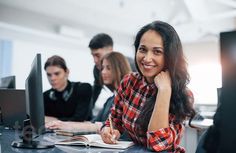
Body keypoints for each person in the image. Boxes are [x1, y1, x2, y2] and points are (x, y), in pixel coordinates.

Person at [100, 21, 195, 152]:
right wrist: (109, 130)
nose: (147, 58)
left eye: (157, 52)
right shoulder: (129, 81)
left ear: (170, 56)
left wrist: (164, 90)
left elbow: (157, 144)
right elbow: (114, 119)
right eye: (142, 49)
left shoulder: (182, 94)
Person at [46, 52, 131, 133]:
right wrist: (62, 125)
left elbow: (113, 128)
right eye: (102, 68)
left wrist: (61, 123)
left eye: (108, 68)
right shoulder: (110, 100)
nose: (103, 72)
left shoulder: (129, 98)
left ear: (119, 69)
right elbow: (92, 123)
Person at [88, 33, 136, 107]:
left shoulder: (132, 65)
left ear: (110, 50)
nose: (95, 60)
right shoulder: (97, 70)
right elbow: (94, 95)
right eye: (93, 55)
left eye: (98, 55)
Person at [44, 55, 92, 123]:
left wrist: (55, 120)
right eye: (49, 75)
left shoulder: (83, 88)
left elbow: (79, 120)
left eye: (57, 73)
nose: (52, 78)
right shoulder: (45, 96)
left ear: (67, 72)